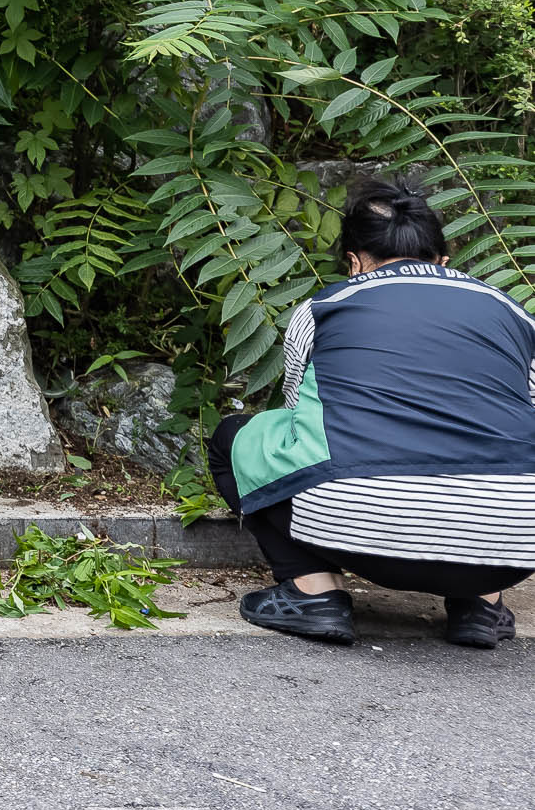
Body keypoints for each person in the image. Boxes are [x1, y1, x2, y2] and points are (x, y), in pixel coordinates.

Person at [215, 182, 535, 648]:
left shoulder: (325, 308)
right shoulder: (515, 314)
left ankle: (315, 592)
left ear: (354, 261)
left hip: (366, 539)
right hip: (512, 546)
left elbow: (298, 421)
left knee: (236, 436)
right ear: (443, 261)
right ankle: (481, 604)